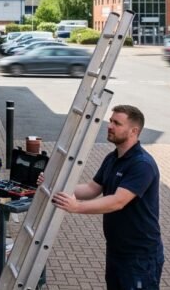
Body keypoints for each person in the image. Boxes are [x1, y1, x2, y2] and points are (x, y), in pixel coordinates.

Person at [40, 105, 163, 290]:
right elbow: (92, 188)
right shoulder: (112, 158)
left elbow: (118, 201)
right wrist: (55, 185)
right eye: (110, 121)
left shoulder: (142, 164)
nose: (110, 126)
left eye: (117, 123)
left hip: (139, 256)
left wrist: (77, 207)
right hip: (116, 250)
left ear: (134, 131)